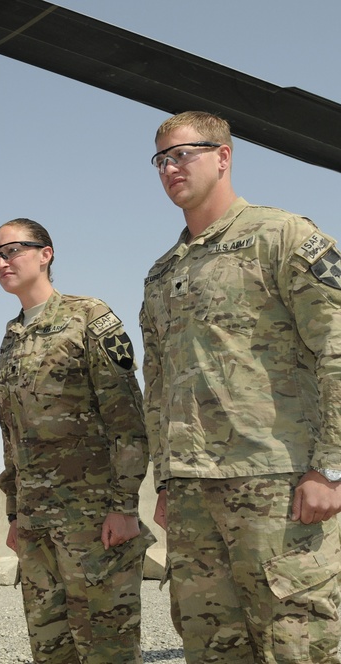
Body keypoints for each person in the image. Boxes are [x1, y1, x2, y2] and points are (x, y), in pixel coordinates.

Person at [140, 110, 341, 663]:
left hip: (277, 487)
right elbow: (155, 384)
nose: (170, 168)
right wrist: (165, 479)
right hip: (192, 493)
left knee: (296, 644)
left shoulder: (282, 237)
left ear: (223, 157)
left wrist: (331, 467)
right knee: (210, 647)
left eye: (183, 153)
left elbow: (337, 350)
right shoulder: (163, 273)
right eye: (161, 159)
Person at [0, 217, 153, 663]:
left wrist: (124, 506)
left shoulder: (87, 318)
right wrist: (14, 513)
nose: (3, 261)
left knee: (106, 649)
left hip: (94, 522)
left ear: (46, 254)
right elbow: (11, 438)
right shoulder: (11, 340)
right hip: (36, 526)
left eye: (13, 250)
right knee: (51, 651)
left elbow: (127, 418)